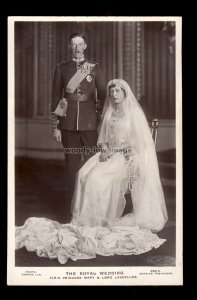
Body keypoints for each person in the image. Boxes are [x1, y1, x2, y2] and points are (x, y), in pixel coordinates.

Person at [15, 79, 168, 264]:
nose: (114, 94)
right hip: (109, 155)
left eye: (118, 91)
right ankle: (84, 221)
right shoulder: (110, 113)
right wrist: (104, 149)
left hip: (127, 158)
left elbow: (139, 145)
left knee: (98, 179)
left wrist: (114, 151)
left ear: (125, 93)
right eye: (112, 91)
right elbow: (103, 139)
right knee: (84, 173)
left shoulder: (133, 114)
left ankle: (100, 221)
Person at [51, 32, 106, 218]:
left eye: (80, 44)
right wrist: (56, 126)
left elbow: (104, 94)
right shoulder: (61, 68)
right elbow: (55, 99)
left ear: (85, 46)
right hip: (67, 125)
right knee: (71, 168)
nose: (77, 48)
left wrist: (97, 115)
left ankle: (91, 211)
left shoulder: (94, 68)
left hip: (90, 124)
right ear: (69, 47)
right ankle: (72, 212)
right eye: (73, 44)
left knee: (92, 167)